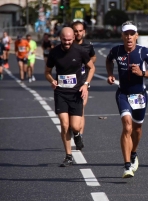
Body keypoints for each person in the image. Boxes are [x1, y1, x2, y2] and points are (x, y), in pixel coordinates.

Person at [106, 21, 148, 178]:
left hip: (140, 96)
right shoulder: (116, 51)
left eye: (132, 34)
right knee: (127, 127)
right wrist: (110, 74)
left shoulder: (144, 52)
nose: (129, 37)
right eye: (126, 34)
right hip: (123, 94)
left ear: (136, 36)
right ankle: (127, 166)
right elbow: (108, 60)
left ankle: (134, 152)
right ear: (122, 36)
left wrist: (142, 73)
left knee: (137, 129)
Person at [44, 27, 96, 167]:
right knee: (64, 124)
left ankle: (77, 134)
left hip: (76, 93)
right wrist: (52, 81)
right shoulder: (54, 52)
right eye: (64, 40)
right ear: (60, 38)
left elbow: (92, 68)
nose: (67, 42)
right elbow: (47, 72)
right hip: (61, 92)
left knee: (75, 126)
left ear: (73, 38)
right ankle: (68, 156)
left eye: (69, 40)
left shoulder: (80, 51)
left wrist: (85, 84)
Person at [71, 20, 97, 150]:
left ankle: (79, 136)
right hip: (69, 83)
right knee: (71, 114)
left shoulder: (88, 46)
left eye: (80, 31)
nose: (78, 33)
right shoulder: (68, 44)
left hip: (83, 82)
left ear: (84, 32)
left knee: (80, 109)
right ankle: (76, 132)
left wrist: (87, 62)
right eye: (75, 31)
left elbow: (94, 58)